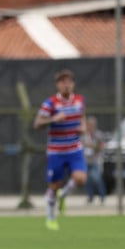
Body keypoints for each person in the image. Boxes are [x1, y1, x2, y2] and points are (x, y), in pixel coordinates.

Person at [33, 69, 87, 230]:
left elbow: (82, 115)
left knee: (80, 178)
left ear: (73, 84)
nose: (66, 85)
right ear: (57, 85)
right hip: (56, 151)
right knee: (54, 185)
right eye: (63, 82)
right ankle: (51, 217)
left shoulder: (79, 100)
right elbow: (37, 124)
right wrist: (53, 119)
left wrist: (83, 127)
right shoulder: (50, 103)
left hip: (74, 149)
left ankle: (63, 195)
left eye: (69, 81)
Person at [82, 116, 107, 204]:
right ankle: (90, 196)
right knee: (87, 180)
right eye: (88, 124)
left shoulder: (98, 134)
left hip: (95, 160)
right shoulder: (84, 135)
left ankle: (102, 196)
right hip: (86, 160)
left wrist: (94, 147)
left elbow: (102, 146)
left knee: (97, 179)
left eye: (91, 125)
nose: (90, 126)